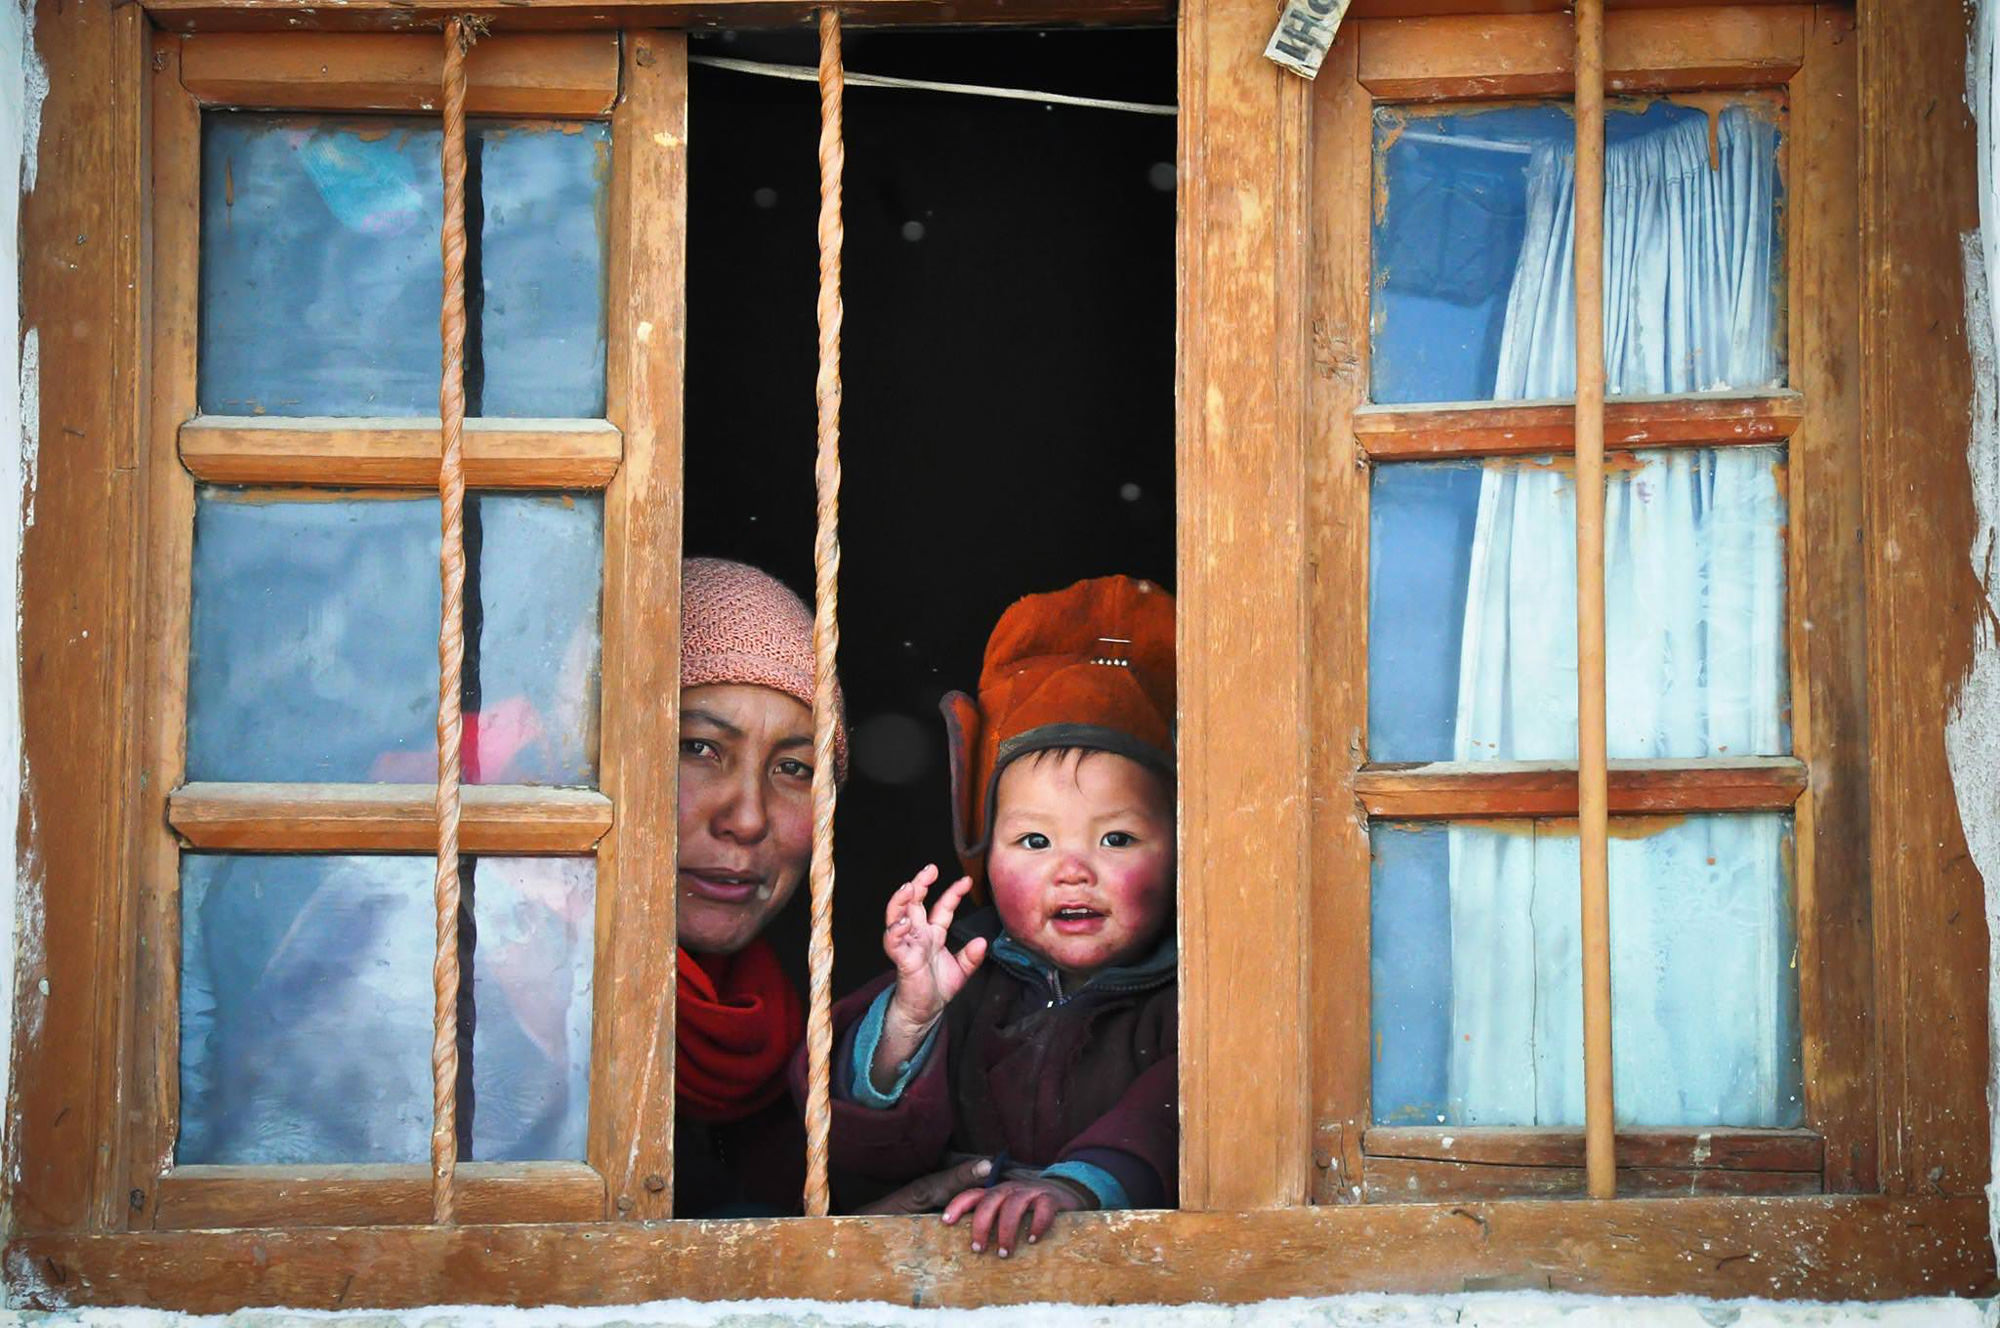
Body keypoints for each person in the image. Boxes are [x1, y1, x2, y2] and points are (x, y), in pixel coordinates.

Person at [813, 575, 1177, 1255]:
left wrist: (1077, 1186)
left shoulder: (1193, 998)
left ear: (1184, 850)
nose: (1073, 869)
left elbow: (1174, 1119)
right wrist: (909, 1020)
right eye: (1034, 841)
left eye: (1117, 838)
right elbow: (848, 1139)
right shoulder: (964, 973)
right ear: (982, 853)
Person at [671, 556, 847, 1217]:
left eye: (795, 767)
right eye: (699, 748)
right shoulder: (499, 995)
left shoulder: (788, 1047)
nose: (746, 818)